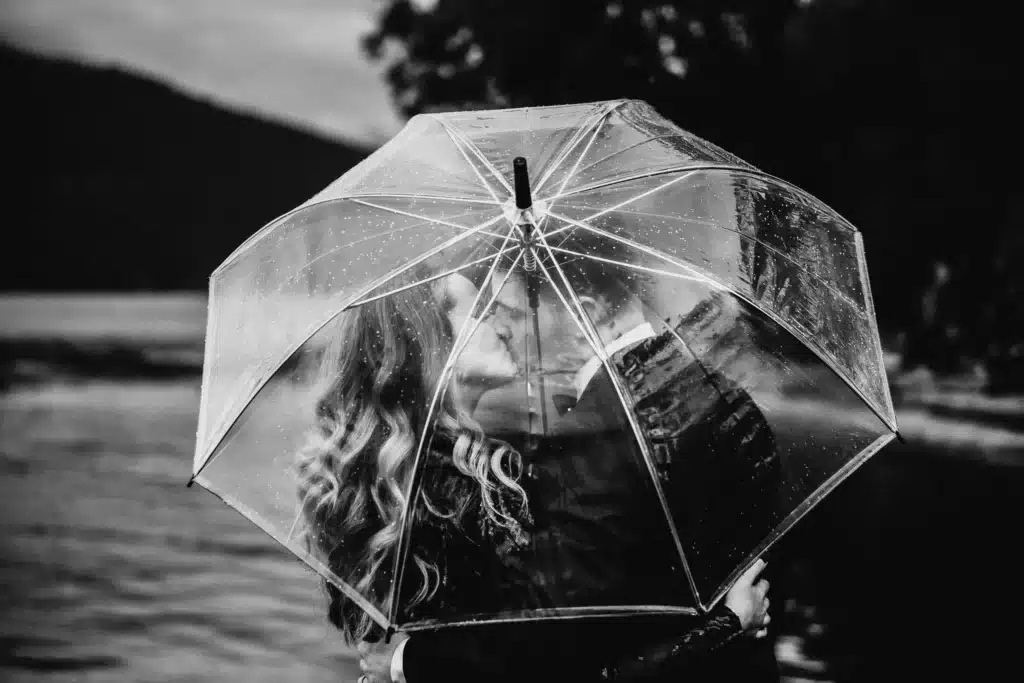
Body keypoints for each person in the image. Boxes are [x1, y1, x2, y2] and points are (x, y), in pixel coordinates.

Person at [357, 233, 778, 682]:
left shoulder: (597, 433)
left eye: (514, 314)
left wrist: (406, 663)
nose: (503, 327)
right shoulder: (732, 403)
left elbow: (549, 643)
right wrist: (727, 627)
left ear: (586, 314)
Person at [292, 268, 537, 651]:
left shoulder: (377, 482)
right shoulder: (473, 487)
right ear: (432, 345)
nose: (503, 325)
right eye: (483, 312)